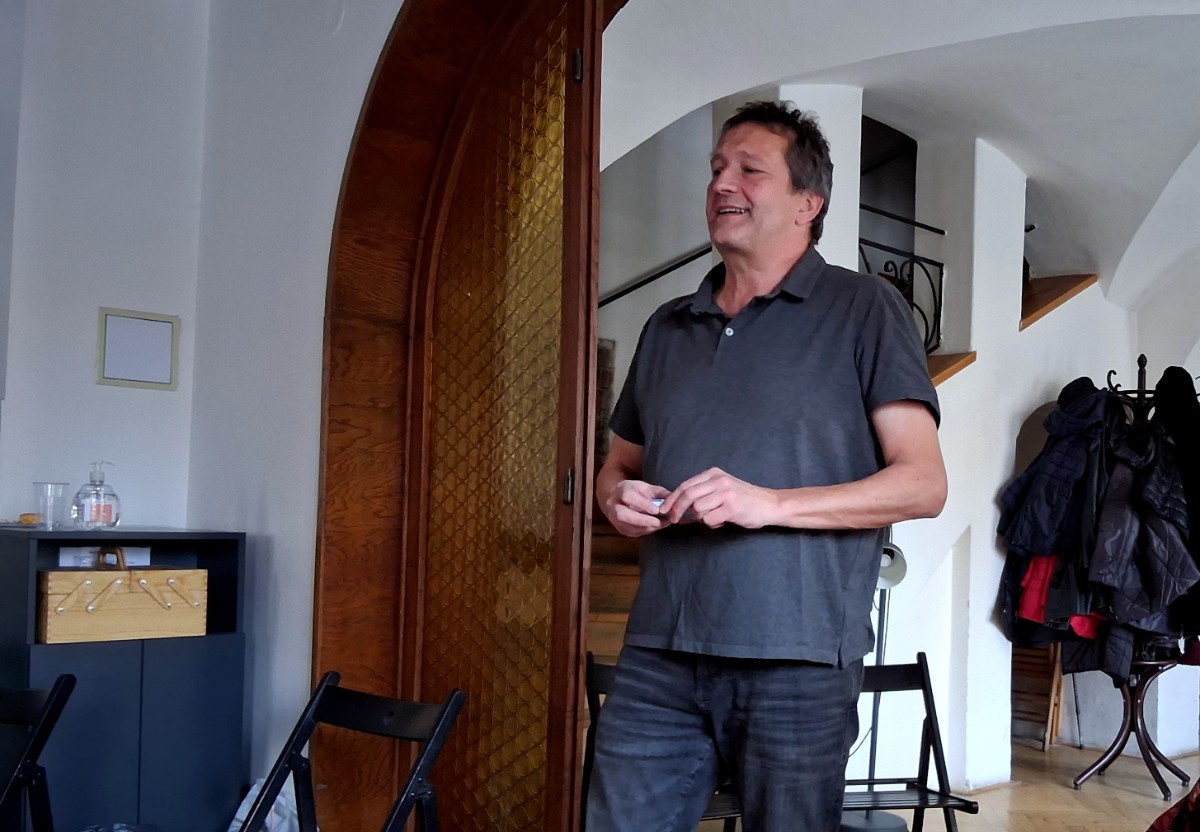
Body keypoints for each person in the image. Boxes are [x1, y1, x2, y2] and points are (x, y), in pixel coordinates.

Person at [586, 101, 947, 832]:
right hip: (659, 651)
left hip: (798, 662)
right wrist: (616, 498)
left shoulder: (865, 307)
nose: (724, 183)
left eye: (750, 170)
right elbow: (616, 465)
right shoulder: (667, 325)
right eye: (718, 168)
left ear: (808, 203)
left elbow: (924, 483)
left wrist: (770, 503)